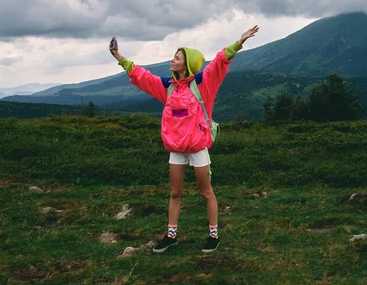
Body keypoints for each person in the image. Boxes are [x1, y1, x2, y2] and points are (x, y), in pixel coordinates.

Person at [109, 26, 259, 253]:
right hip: (176, 149)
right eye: (173, 56)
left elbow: (219, 63)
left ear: (187, 64)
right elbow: (142, 76)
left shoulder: (203, 85)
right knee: (175, 193)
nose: (172, 60)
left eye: (177, 58)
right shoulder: (167, 88)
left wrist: (238, 43)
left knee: (206, 192)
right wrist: (119, 57)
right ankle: (171, 236)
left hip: (198, 148)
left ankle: (213, 235)